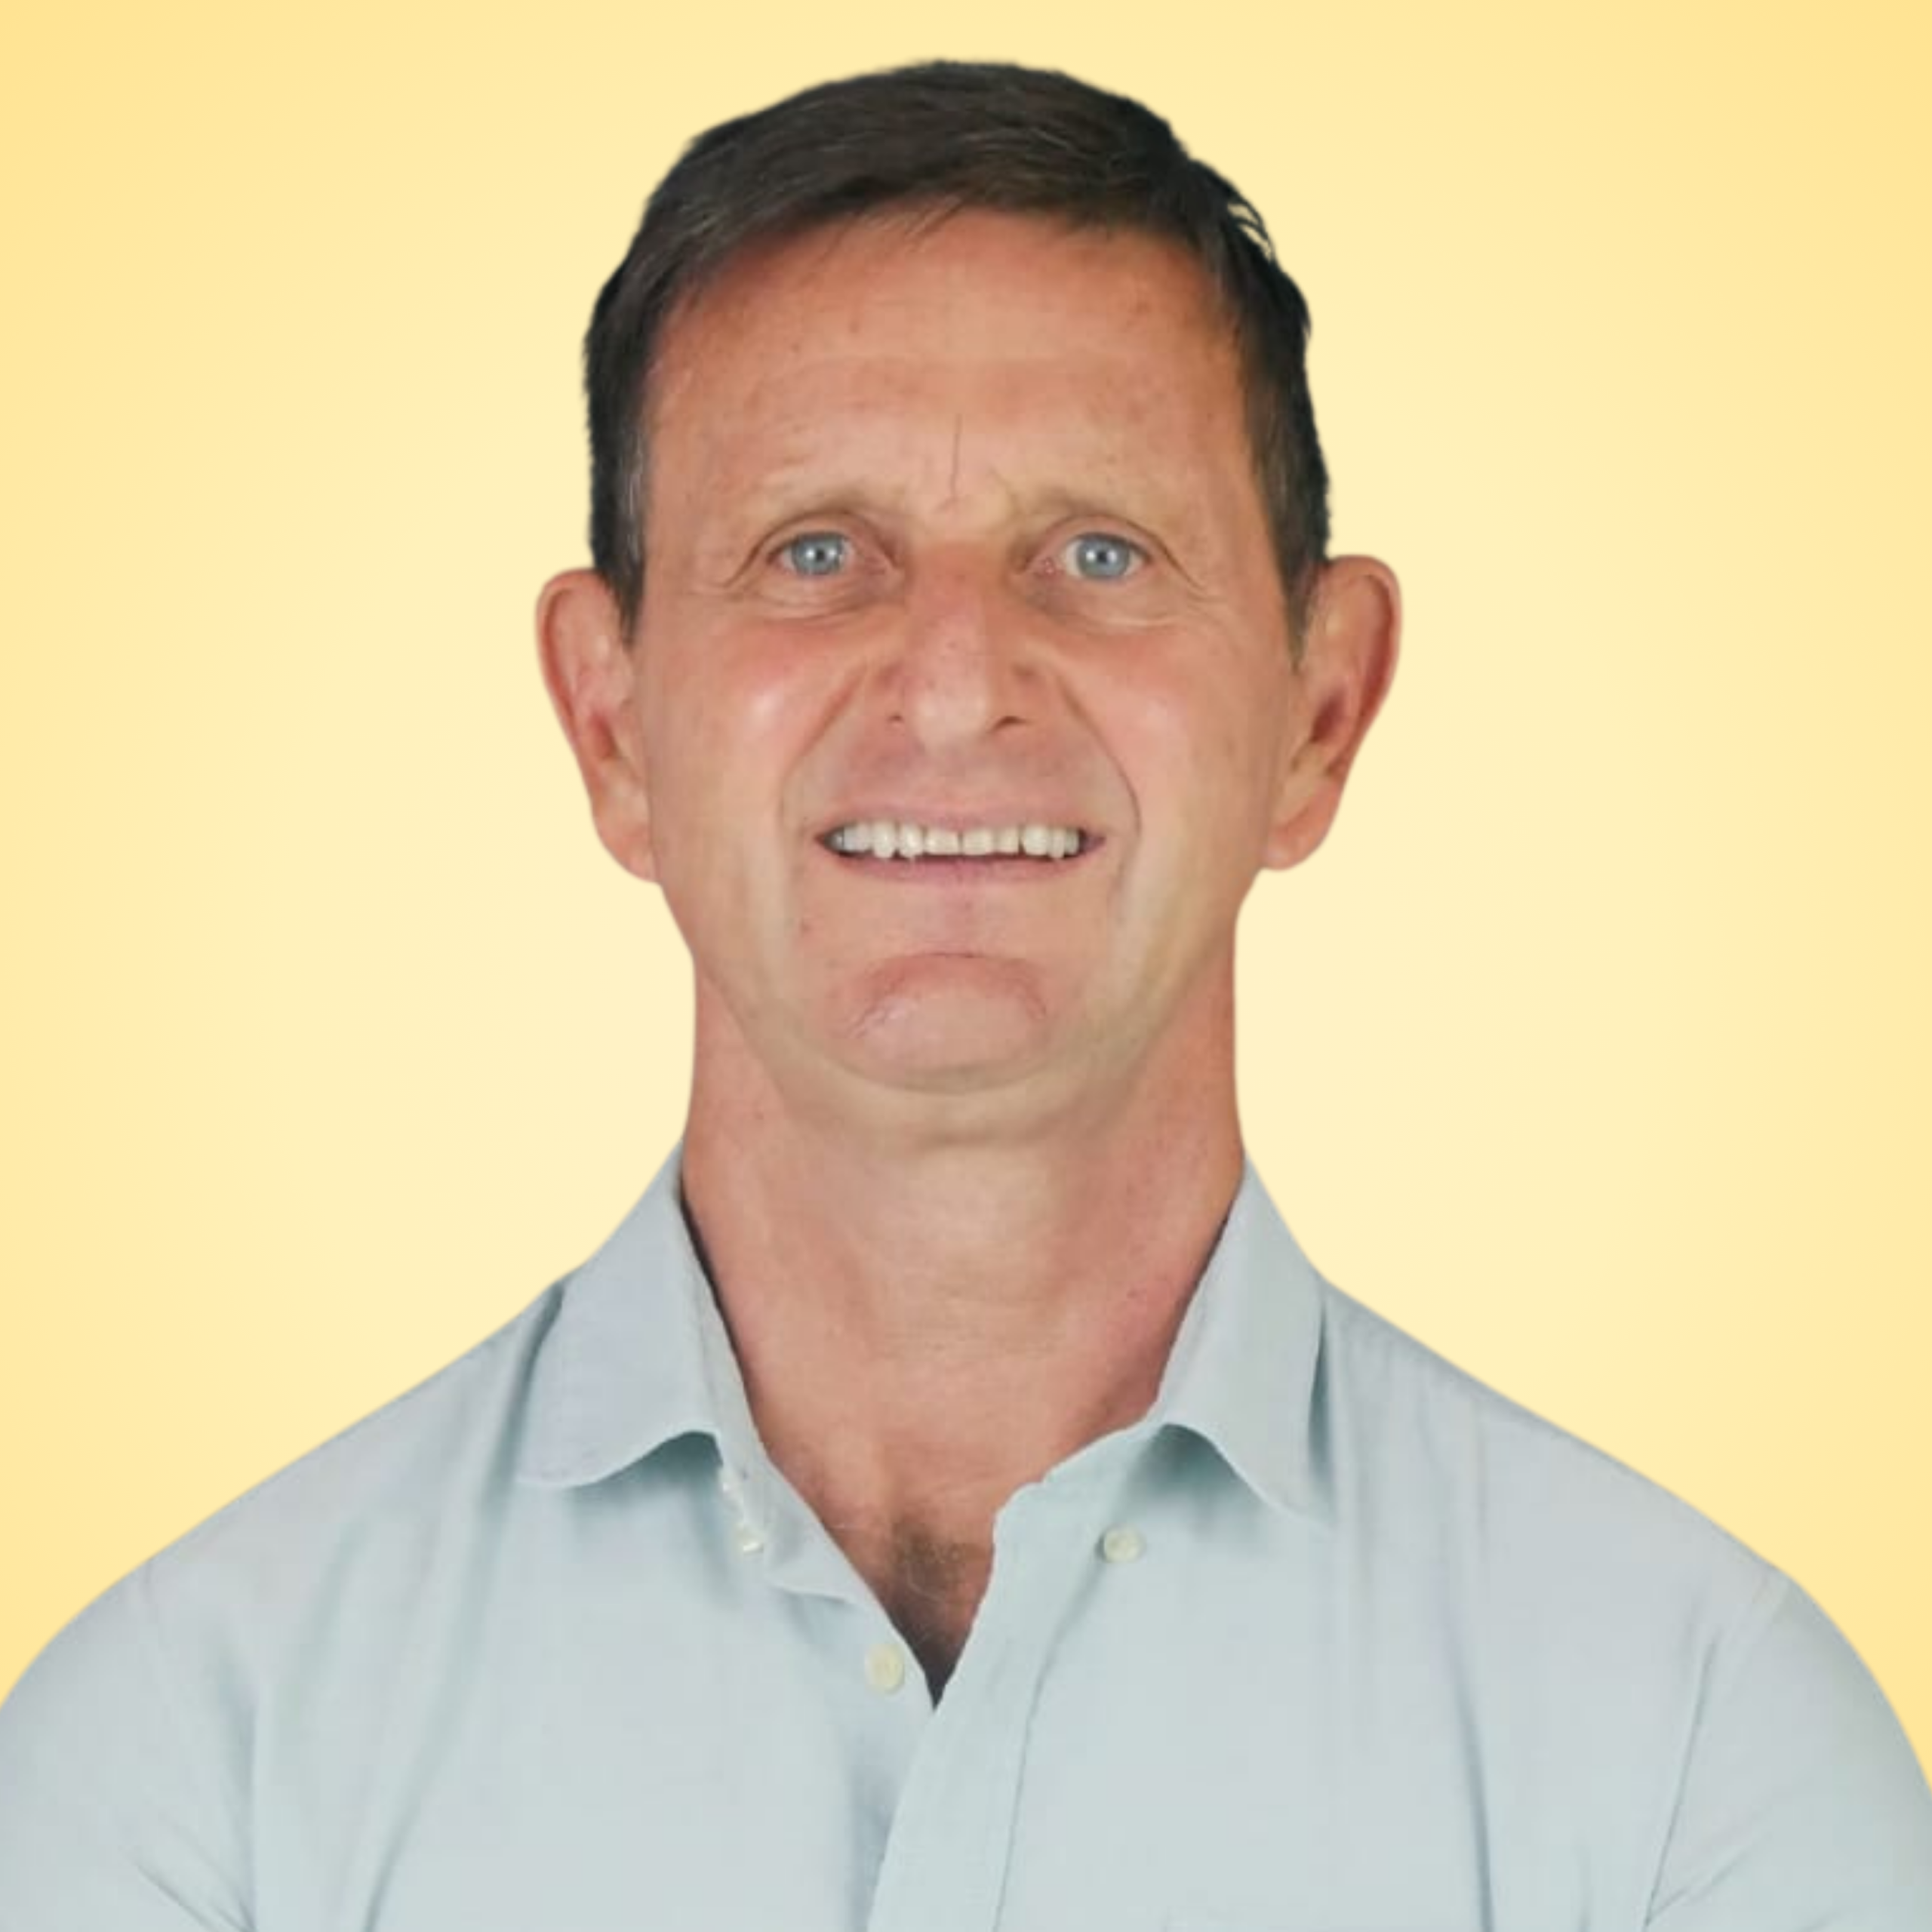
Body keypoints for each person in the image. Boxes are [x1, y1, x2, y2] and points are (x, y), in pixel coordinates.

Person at [2, 58, 1928, 1931]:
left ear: (1317, 710)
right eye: (813, 553)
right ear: (612, 725)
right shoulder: (185, 1758)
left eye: (1096, 552)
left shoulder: (1701, 1750)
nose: (950, 686)